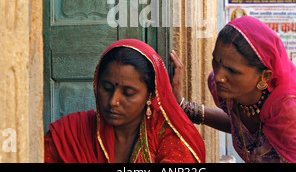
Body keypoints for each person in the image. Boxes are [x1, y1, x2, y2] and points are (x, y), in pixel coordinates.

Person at [172, 16, 296, 163]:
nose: (218, 76)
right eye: (216, 62)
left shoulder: (293, 114)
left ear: (265, 76)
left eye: (232, 71)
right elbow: (241, 127)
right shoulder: (226, 91)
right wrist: (184, 107)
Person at [45, 39, 205, 163]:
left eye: (128, 93)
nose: (113, 101)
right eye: (107, 88)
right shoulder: (71, 134)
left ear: (150, 95)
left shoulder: (170, 138)